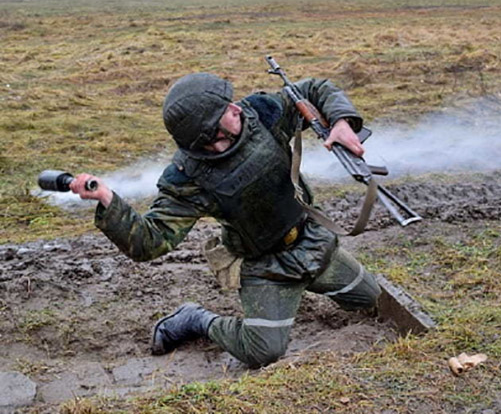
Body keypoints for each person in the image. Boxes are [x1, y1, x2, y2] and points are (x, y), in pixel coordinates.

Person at [69, 71, 381, 368]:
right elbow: (150, 241)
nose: (236, 108)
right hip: (265, 267)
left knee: (369, 298)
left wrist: (340, 120)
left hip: (312, 241)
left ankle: (307, 288)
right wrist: (108, 200)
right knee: (263, 351)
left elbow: (312, 89)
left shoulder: (261, 113)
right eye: (225, 112)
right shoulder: (186, 178)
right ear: (209, 134)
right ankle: (196, 319)